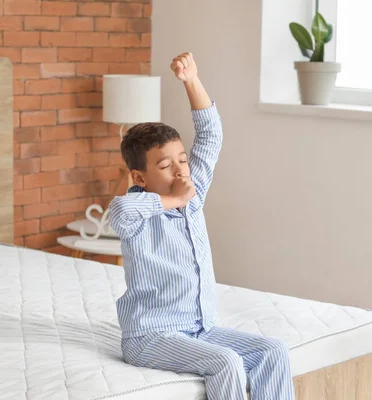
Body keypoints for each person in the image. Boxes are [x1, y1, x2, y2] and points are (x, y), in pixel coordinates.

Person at [109, 52, 294, 400]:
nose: (180, 170)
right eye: (166, 166)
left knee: (273, 351)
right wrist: (175, 201)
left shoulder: (192, 193)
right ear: (140, 177)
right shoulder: (138, 213)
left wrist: (191, 79)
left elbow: (209, 136)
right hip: (151, 336)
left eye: (182, 160)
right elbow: (120, 211)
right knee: (226, 363)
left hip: (201, 329)